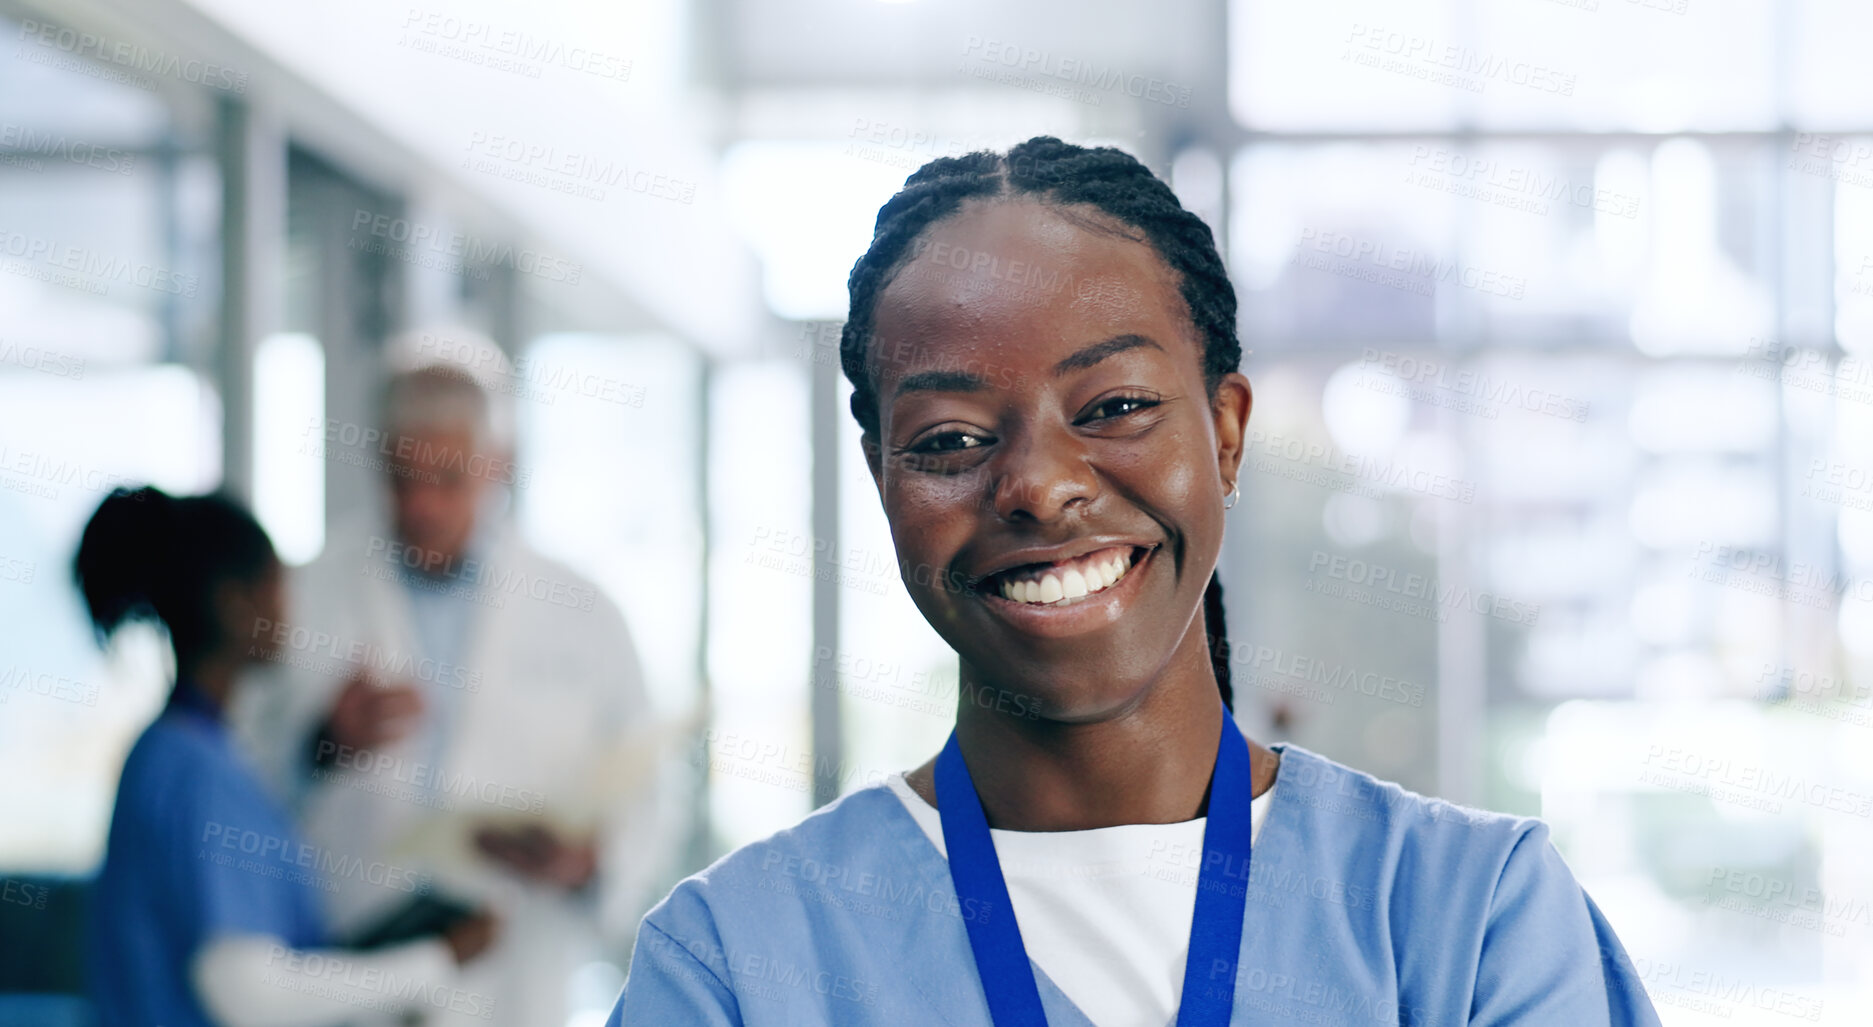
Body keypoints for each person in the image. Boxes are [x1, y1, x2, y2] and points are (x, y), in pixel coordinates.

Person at [606, 138, 1662, 1025]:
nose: (1039, 486)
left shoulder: (1469, 923)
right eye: (954, 436)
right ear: (883, 479)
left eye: (1112, 408)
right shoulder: (736, 969)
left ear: (1228, 432)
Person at [231, 334, 672, 1027]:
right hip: (352, 961)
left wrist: (587, 863)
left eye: (447, 479)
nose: (421, 506)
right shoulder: (308, 591)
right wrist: (320, 746)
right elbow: (242, 779)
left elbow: (645, 794)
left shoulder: (582, 612)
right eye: (401, 478)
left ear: (499, 466)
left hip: (514, 971)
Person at [78, 485, 497, 1027]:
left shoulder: (173, 753)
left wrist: (322, 752)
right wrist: (435, 961)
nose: (288, 606)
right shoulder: (200, 775)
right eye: (275, 584)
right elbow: (245, 994)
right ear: (235, 605)